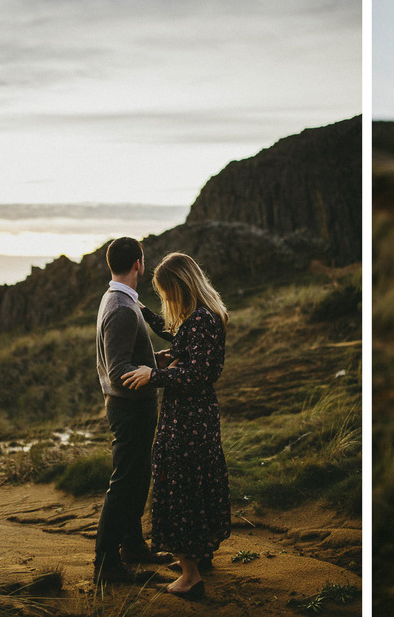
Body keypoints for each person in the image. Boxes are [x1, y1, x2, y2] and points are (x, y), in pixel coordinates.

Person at [122, 252, 231, 600]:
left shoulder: (199, 320)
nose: (167, 299)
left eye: (167, 292)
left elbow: (195, 374)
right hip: (200, 416)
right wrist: (144, 314)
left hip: (186, 417)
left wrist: (152, 374)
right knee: (198, 481)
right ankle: (200, 556)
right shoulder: (207, 316)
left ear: (181, 287)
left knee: (179, 484)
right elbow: (181, 342)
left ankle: (190, 576)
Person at [93, 237, 170, 585]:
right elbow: (117, 369)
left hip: (132, 406)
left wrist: (155, 362)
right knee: (125, 483)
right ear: (138, 263)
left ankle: (133, 545)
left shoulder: (118, 299)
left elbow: (129, 358)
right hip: (129, 409)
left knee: (138, 478)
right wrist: (155, 375)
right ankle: (106, 564)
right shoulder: (122, 307)